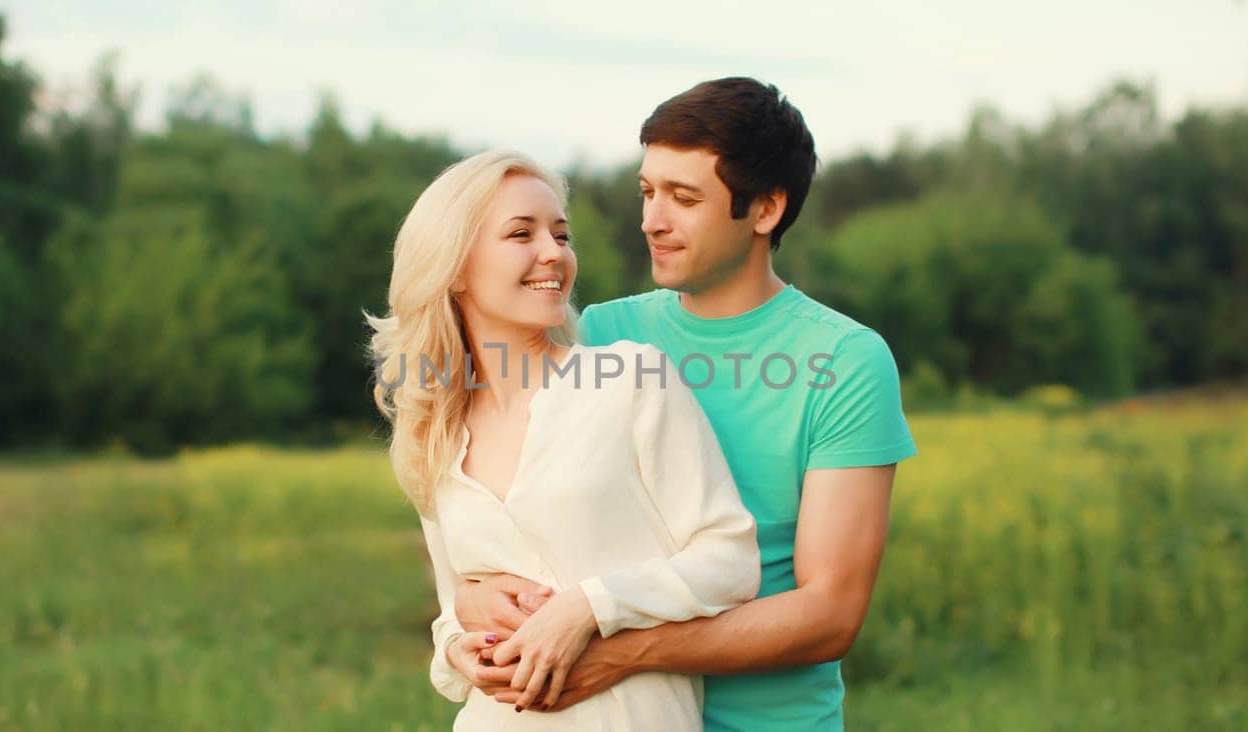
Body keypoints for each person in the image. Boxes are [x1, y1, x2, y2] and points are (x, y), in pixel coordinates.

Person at [452, 78, 918, 730]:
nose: (652, 220)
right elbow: (504, 510)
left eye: (684, 197)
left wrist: (625, 652)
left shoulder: (844, 362)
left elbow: (829, 614)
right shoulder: (599, 335)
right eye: (647, 192)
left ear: (764, 209)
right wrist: (473, 597)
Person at [366, 150, 761, 729]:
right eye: (520, 234)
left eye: (561, 234)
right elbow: (454, 609)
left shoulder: (631, 379)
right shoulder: (434, 428)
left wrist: (587, 608)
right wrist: (458, 649)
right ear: (453, 267)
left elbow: (729, 560)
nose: (553, 253)